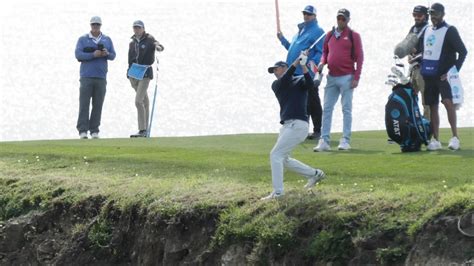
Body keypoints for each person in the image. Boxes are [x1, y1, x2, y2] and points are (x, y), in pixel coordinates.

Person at [261, 55, 326, 200]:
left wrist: (303, 66)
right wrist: (297, 61)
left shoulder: (299, 80)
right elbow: (287, 78)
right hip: (286, 126)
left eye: (276, 70)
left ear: (284, 68)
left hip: (299, 125)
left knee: (275, 155)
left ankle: (278, 193)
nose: (275, 73)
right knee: (283, 159)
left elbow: (311, 85)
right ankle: (315, 174)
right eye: (274, 71)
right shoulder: (277, 85)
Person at [313, 8, 364, 152]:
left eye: (343, 19)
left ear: (348, 20)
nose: (341, 21)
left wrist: (356, 78)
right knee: (327, 108)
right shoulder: (329, 35)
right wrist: (322, 62)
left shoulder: (354, 36)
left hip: (347, 77)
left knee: (346, 109)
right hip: (331, 77)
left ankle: (345, 140)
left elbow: (360, 57)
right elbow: (325, 52)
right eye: (339, 18)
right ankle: (324, 141)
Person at [418, 3, 467, 151]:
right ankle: (436, 139)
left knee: (448, 103)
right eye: (432, 14)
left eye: (437, 14)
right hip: (429, 75)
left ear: (443, 14)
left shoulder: (450, 30)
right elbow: (423, 50)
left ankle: (455, 137)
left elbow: (463, 52)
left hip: (444, 76)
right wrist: (417, 60)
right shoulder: (426, 30)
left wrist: (453, 72)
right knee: (432, 106)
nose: (434, 17)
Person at [277, 5, 325, 140]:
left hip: (306, 73)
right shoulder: (300, 31)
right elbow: (292, 49)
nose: (306, 16)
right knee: (300, 103)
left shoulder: (318, 31)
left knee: (313, 101)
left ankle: (317, 131)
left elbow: (321, 52)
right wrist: (282, 40)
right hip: (294, 73)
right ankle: (302, 130)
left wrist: (310, 62)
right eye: (304, 13)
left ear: (314, 16)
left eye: (309, 14)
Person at [75, 16, 116, 139]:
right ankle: (82, 130)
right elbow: (78, 54)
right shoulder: (83, 39)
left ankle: (94, 130)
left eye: (97, 25)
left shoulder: (107, 39)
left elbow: (113, 55)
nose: (95, 27)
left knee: (98, 104)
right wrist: (93, 54)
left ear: (100, 26)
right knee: (84, 104)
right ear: (90, 25)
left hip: (101, 77)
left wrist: (106, 54)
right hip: (86, 76)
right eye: (94, 25)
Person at [127, 20, 164, 138]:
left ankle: (142, 129)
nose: (136, 30)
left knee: (138, 101)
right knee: (145, 101)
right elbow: (130, 59)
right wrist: (128, 73)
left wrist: (158, 47)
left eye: (139, 28)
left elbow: (157, 45)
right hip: (133, 73)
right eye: (135, 28)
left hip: (145, 73)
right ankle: (146, 130)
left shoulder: (149, 38)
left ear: (143, 28)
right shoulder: (132, 42)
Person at [408, 5, 430, 120]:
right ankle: (413, 127)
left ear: (426, 16)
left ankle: (428, 131)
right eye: (414, 15)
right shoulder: (413, 28)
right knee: (410, 99)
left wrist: (416, 56)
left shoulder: (429, 29)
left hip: (424, 69)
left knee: (426, 102)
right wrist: (408, 53)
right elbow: (407, 45)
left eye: (419, 15)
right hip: (413, 69)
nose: (416, 17)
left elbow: (429, 51)